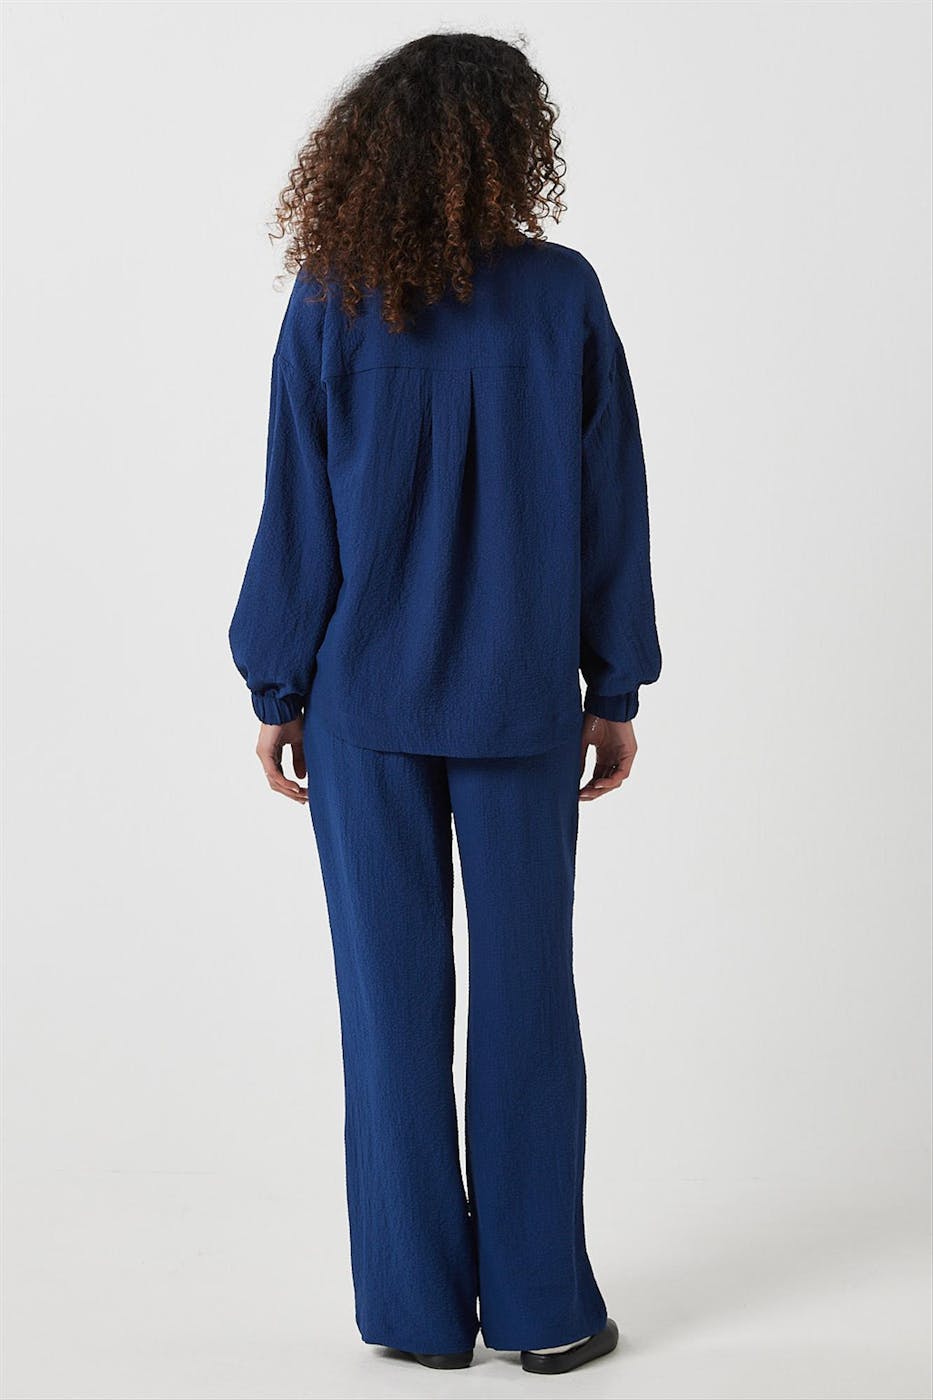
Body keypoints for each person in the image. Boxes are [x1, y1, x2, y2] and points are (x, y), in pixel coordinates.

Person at [228, 31, 661, 1376]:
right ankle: (544, 1313)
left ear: (367, 148)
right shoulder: (562, 294)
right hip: (522, 706)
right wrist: (613, 681)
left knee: (389, 1012)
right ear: (510, 145)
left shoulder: (330, 298)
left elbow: (296, 513)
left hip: (362, 709)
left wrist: (278, 684)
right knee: (528, 1006)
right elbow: (609, 501)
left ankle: (418, 1316)